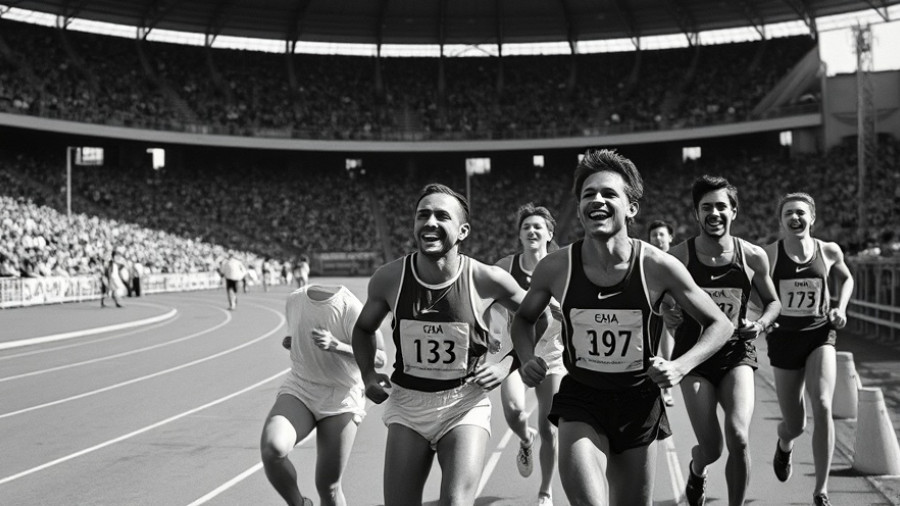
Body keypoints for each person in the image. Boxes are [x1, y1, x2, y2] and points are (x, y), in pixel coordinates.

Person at [511, 149, 733, 506]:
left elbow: (719, 324)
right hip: (582, 397)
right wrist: (525, 357)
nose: (597, 199)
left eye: (608, 193)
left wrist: (680, 365)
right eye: (588, 194)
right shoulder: (556, 268)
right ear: (580, 208)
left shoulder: (658, 267)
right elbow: (523, 319)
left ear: (631, 208)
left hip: (639, 402)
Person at [352, 183, 545, 506]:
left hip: (463, 403)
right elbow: (362, 329)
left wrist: (509, 364)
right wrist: (368, 374)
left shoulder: (486, 279)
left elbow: (536, 317)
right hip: (408, 406)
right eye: (422, 215)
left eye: (442, 216)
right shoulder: (389, 279)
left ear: (462, 230)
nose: (429, 222)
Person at [664, 176, 781, 506]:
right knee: (712, 449)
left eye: (720, 206)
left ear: (734, 210)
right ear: (696, 214)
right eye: (706, 208)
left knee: (740, 438)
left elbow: (773, 302)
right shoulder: (678, 257)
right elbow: (657, 297)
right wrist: (668, 311)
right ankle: (697, 468)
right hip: (695, 357)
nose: (714, 213)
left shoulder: (753, 256)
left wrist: (759, 325)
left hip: (736, 354)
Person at [764, 193, 853, 506]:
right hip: (785, 340)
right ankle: (785, 442)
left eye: (801, 213)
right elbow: (751, 290)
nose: (795, 218)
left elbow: (847, 278)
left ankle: (821, 490)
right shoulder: (771, 254)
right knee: (796, 424)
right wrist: (765, 318)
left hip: (819, 335)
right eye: (788, 213)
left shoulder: (828, 251)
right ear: (781, 220)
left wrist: (840, 307)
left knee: (824, 405)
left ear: (812, 218)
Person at [260, 284, 386, 506]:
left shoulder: (351, 307)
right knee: (273, 449)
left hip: (341, 397)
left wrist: (336, 346)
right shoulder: (295, 300)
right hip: (301, 387)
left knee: (328, 487)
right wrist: (294, 343)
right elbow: (297, 337)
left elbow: (380, 359)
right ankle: (299, 504)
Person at [493, 203, 564, 506]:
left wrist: (563, 314)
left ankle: (545, 491)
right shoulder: (505, 267)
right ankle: (525, 438)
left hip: (552, 356)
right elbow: (490, 306)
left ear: (549, 233)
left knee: (550, 426)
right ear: (519, 235)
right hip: (514, 355)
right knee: (512, 411)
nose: (532, 231)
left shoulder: (563, 266)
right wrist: (491, 336)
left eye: (538, 227)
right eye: (526, 227)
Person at [647, 219, 677, 407]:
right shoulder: (645, 260)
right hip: (649, 311)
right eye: (654, 235)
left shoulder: (678, 260)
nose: (658, 239)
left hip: (671, 313)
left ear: (670, 237)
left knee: (667, 350)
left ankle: (667, 389)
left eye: (661, 235)